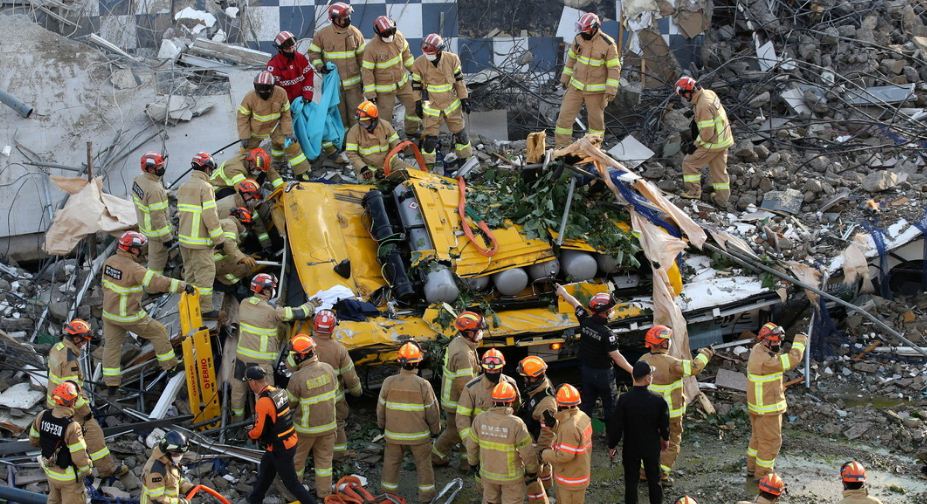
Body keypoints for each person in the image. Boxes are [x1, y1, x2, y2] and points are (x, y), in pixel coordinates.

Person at [102, 231, 191, 392]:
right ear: (133, 249)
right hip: (129, 316)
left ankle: (111, 384)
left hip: (109, 314)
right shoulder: (134, 268)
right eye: (140, 247)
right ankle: (170, 367)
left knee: (112, 347)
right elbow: (158, 283)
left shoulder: (109, 262)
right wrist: (183, 286)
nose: (142, 250)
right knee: (158, 332)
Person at [47, 320, 128, 480]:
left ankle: (64, 465)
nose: (85, 344)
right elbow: (71, 393)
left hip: (53, 403)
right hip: (70, 408)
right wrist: (86, 413)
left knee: (68, 438)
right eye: (85, 340)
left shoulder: (57, 348)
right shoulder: (70, 360)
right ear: (77, 339)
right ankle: (107, 469)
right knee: (94, 434)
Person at [230, 274, 317, 423]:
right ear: (265, 291)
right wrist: (311, 305)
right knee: (264, 399)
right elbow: (296, 313)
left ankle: (235, 426)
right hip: (261, 365)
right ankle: (262, 428)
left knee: (238, 396)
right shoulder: (271, 310)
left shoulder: (243, 303)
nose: (272, 292)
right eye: (271, 289)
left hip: (241, 361)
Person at [639, 324, 714, 484]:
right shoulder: (672, 364)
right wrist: (706, 353)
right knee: (671, 444)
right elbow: (695, 368)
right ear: (664, 344)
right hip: (670, 416)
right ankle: (661, 474)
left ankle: (644, 472)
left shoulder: (642, 361)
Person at [555, 284, 632, 422]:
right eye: (611, 309)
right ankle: (611, 441)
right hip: (604, 375)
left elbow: (575, 303)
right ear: (604, 312)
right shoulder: (607, 334)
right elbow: (616, 356)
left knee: (587, 404)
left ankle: (583, 430)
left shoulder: (585, 321)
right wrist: (633, 371)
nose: (613, 311)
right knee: (610, 407)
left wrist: (563, 293)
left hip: (587, 371)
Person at [377, 342, 441, 501]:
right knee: (424, 466)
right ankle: (426, 497)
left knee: (390, 466)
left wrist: (382, 426)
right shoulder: (423, 384)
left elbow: (380, 409)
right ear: (418, 362)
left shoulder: (388, 382)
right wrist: (435, 430)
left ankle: (387, 497)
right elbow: (432, 411)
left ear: (399, 362)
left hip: (393, 436)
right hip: (418, 437)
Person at [244, 364, 317, 504]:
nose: (249, 385)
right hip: (286, 441)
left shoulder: (263, 401)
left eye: (248, 382)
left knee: (292, 484)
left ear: (253, 382)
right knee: (265, 473)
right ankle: (254, 500)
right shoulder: (278, 392)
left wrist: (249, 434)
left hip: (280, 448)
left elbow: (258, 431)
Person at [746, 322, 807, 480]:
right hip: (768, 410)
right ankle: (763, 476)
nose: (778, 344)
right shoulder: (767, 361)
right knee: (771, 442)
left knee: (758, 440)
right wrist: (801, 341)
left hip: (758, 408)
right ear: (766, 340)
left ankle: (752, 469)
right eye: (775, 341)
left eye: (779, 340)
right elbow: (792, 360)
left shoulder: (758, 350)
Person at [554, 12, 620, 148]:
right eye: (581, 28)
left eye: (586, 29)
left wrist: (611, 90)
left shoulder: (608, 44)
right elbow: (571, 59)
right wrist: (565, 78)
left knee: (596, 125)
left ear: (595, 28)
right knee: (564, 119)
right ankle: (561, 148)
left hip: (596, 92)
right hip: (575, 88)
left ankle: (593, 151)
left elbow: (614, 68)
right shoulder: (578, 39)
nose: (583, 32)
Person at [606, 361, 669, 504]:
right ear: (647, 378)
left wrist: (612, 445)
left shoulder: (624, 400)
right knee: (654, 480)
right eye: (651, 374)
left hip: (631, 447)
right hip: (651, 446)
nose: (652, 377)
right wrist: (665, 439)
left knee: (631, 482)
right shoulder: (658, 400)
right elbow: (664, 424)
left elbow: (617, 426)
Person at [466, 382, 538, 504]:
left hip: (488, 475)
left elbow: (471, 446)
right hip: (511, 478)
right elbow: (527, 452)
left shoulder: (480, 419)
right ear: (511, 402)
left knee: (490, 500)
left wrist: (473, 463)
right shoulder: (516, 424)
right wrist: (532, 470)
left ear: (493, 400)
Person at [287, 334, 338, 500]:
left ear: (299, 356)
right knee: (324, 463)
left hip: (305, 431)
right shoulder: (329, 369)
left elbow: (289, 405)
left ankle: (294, 494)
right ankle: (325, 495)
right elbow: (334, 394)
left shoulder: (297, 378)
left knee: (297, 462)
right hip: (329, 427)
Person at [411, 33, 472, 169]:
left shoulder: (452, 59)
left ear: (439, 50)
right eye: (426, 52)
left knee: (461, 135)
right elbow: (415, 85)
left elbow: (459, 81)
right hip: (430, 105)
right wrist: (417, 103)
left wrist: (464, 99)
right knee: (430, 140)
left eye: (431, 52)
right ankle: (428, 168)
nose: (428, 55)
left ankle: (464, 163)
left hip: (452, 103)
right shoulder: (419, 63)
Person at [432, 311, 482, 468]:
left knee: (465, 430)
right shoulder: (463, 353)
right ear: (468, 333)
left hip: (455, 397)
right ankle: (436, 456)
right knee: (454, 432)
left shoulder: (462, 343)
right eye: (478, 331)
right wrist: (475, 404)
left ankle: (466, 463)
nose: (481, 333)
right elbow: (464, 385)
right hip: (457, 400)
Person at [311, 309, 362, 459]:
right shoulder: (339, 349)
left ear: (315, 326)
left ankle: (313, 452)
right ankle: (338, 454)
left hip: (309, 399)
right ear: (333, 328)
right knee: (338, 425)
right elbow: (351, 378)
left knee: (311, 425)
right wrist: (357, 392)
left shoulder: (306, 345)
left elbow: (290, 368)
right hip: (334, 399)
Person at [238, 71, 310, 178]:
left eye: (266, 89)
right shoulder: (249, 97)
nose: (263, 92)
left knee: (292, 145)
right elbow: (242, 117)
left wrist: (288, 132)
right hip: (256, 130)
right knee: (246, 154)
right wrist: (244, 136)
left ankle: (301, 172)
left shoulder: (281, 93)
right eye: (260, 89)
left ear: (272, 87)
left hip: (275, 127)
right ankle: (244, 177)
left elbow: (286, 114)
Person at [675, 76, 734, 206]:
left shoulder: (703, 105)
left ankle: (693, 192)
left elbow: (707, 133)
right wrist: (694, 114)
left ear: (689, 92)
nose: (684, 98)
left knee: (689, 163)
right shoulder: (708, 93)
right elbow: (712, 114)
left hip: (714, 142)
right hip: (724, 138)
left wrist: (694, 145)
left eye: (683, 95)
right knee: (719, 170)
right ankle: (722, 199)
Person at [29, 382, 92, 504]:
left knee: (54, 500)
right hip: (69, 478)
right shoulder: (72, 426)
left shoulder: (42, 416)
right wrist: (87, 470)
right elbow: (79, 458)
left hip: (50, 473)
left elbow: (33, 440)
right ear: (71, 402)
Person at [178, 152, 224, 318]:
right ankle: (204, 309)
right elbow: (210, 216)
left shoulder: (184, 186)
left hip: (184, 240)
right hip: (200, 243)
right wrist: (219, 239)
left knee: (190, 273)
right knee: (205, 274)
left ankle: (191, 305)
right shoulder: (206, 188)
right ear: (206, 168)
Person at [361, 16, 420, 139]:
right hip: (384, 90)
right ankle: (385, 140)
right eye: (386, 33)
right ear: (378, 33)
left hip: (402, 84)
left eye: (391, 31)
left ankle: (411, 131)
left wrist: (416, 73)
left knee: (414, 105)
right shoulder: (371, 48)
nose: (390, 36)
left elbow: (407, 57)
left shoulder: (398, 36)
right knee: (384, 117)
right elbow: (367, 72)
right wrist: (371, 95)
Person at [308, 2, 366, 128]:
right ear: (334, 19)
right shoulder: (322, 35)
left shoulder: (355, 33)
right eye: (344, 17)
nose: (347, 19)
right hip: (333, 87)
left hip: (354, 87)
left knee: (357, 116)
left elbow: (364, 61)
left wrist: (366, 81)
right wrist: (320, 66)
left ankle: (357, 142)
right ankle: (343, 144)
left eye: (348, 16)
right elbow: (313, 53)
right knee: (338, 118)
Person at [457, 348, 521, 454]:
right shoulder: (472, 388)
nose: (492, 372)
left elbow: (516, 410)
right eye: (489, 370)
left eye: (495, 370)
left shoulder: (510, 383)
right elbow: (462, 417)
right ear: (484, 369)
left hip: (505, 437)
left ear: (501, 368)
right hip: (481, 440)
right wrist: (469, 442)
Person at [540, 384, 593, 504]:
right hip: (579, 474)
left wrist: (545, 454)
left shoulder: (569, 427)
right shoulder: (582, 417)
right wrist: (554, 426)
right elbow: (573, 440)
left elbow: (564, 455)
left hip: (570, 479)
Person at [516, 356, 557, 503]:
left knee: (532, 476)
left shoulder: (546, 405)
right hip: (534, 434)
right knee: (545, 467)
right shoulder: (539, 388)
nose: (524, 380)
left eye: (526, 378)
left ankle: (539, 498)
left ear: (535, 378)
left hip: (537, 441)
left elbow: (547, 434)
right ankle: (547, 489)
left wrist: (539, 454)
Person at [131, 152, 173, 274]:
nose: (162, 169)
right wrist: (166, 237)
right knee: (157, 262)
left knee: (151, 253)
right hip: (156, 232)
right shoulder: (155, 189)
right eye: (159, 167)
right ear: (150, 169)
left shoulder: (138, 179)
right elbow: (158, 217)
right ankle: (153, 288)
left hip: (144, 226)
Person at [344, 100, 403, 181]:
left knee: (412, 173)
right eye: (360, 122)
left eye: (365, 122)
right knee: (370, 184)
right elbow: (351, 154)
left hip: (389, 162)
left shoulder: (385, 125)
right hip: (368, 168)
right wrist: (363, 168)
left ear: (373, 120)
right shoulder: (354, 132)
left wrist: (399, 147)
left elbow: (395, 141)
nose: (362, 125)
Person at [140, 430, 195, 504]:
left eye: (181, 454)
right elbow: (157, 499)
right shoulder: (156, 471)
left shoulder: (169, 461)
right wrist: (179, 502)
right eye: (176, 454)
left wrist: (189, 488)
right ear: (167, 451)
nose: (179, 457)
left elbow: (174, 479)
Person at [211, 147, 284, 201]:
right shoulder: (234, 167)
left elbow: (272, 173)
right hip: (220, 187)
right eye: (256, 168)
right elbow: (243, 189)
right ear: (250, 161)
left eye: (259, 169)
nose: (257, 171)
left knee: (264, 172)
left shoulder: (257, 163)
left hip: (239, 182)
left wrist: (283, 189)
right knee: (236, 201)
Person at [213, 207, 258, 294]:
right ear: (242, 222)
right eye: (247, 226)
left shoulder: (226, 222)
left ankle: (228, 284)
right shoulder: (231, 224)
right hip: (210, 259)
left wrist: (246, 256)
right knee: (244, 267)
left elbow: (230, 248)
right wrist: (243, 258)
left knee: (238, 262)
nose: (246, 230)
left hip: (208, 256)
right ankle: (228, 286)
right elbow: (228, 244)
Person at [267, 31, 314, 104]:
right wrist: (284, 105)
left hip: (301, 101)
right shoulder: (273, 65)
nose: (291, 51)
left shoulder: (300, 58)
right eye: (288, 49)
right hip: (284, 104)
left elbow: (309, 75)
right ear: (280, 49)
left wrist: (307, 95)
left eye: (292, 47)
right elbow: (274, 89)